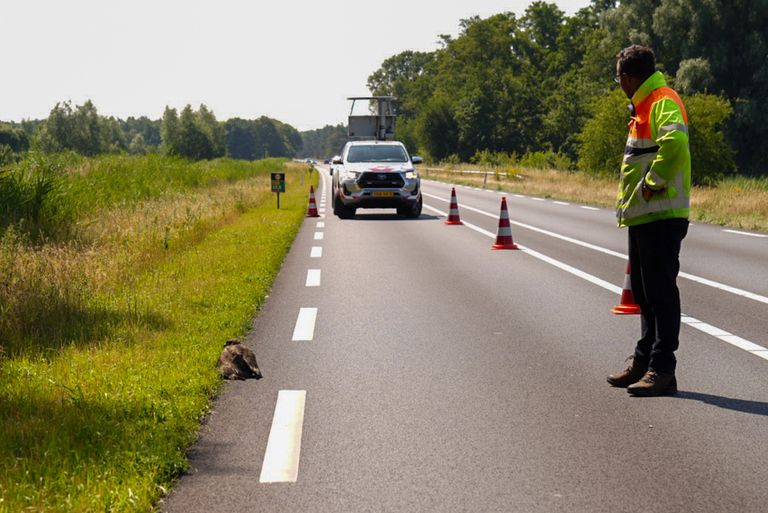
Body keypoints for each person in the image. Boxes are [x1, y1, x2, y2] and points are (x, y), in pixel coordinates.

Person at [607, 45, 691, 397]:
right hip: (645, 216)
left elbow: (675, 144)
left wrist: (652, 183)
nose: (618, 84)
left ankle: (662, 369)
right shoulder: (644, 105)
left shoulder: (660, 100)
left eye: (618, 78)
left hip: (662, 214)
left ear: (628, 77)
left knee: (660, 293)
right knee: (643, 293)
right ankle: (644, 361)